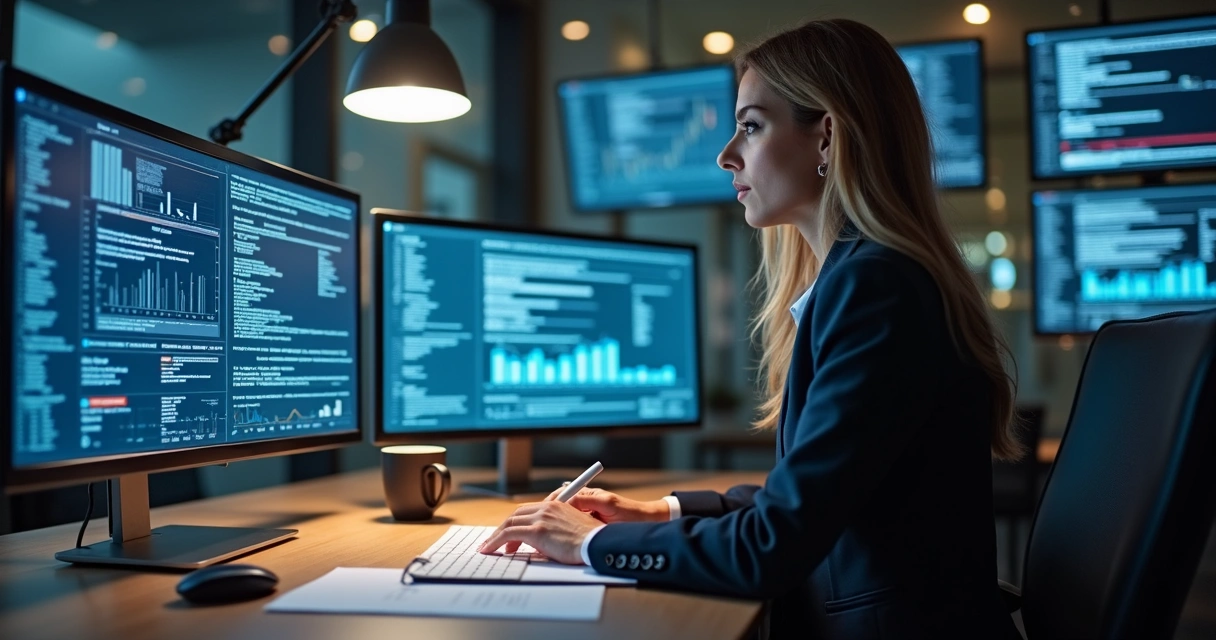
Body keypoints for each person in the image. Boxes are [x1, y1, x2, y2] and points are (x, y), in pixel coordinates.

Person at [479, 18, 1023, 639]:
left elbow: (773, 546)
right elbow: (811, 499)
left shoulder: (876, 288)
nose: (725, 155)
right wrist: (664, 508)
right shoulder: (867, 277)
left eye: (751, 126)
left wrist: (593, 545)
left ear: (826, 138)